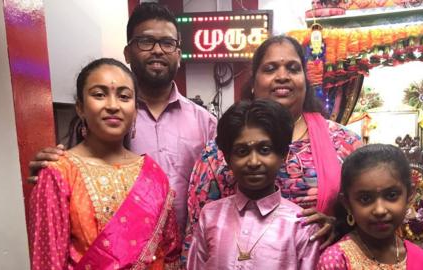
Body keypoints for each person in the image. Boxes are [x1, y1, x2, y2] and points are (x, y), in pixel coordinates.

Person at [28, 3, 217, 233]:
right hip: (118, 253)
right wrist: (51, 166)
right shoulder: (106, 120)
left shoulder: (206, 124)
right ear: (128, 52)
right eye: (146, 41)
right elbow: (76, 173)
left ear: (178, 54)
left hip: (190, 254)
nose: (158, 50)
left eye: (168, 43)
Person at [184, 35, 362, 257]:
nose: (282, 76)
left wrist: (341, 227)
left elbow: (370, 216)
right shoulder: (218, 152)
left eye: (293, 68)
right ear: (253, 83)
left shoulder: (344, 143)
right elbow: (197, 237)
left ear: (305, 81)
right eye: (270, 69)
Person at [28, 58, 181, 269]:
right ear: (80, 108)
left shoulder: (154, 176)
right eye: (99, 95)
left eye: (124, 96)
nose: (112, 106)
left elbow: (170, 256)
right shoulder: (58, 174)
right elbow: (47, 263)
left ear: (135, 110)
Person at [187, 99, 320, 270]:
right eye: (242, 151)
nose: (253, 162)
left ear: (283, 155)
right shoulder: (211, 216)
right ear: (228, 158)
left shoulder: (300, 224)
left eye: (264, 150)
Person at [317, 144, 423, 269]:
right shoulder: (336, 261)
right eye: (365, 199)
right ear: (348, 204)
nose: (380, 210)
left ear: (409, 196)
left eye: (391, 195)